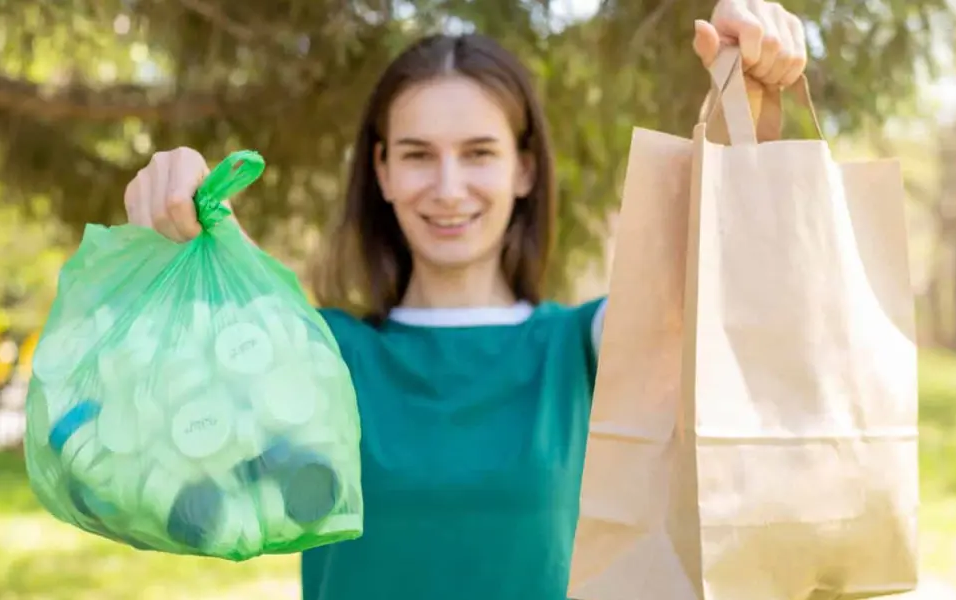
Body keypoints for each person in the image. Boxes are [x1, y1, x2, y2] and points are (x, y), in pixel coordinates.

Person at [121, 1, 809, 598]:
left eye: (479, 153)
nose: (448, 188)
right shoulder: (323, 351)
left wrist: (739, 99)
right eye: (418, 155)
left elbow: (715, 264)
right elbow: (168, 402)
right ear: (382, 171)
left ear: (525, 169)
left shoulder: (582, 348)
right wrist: (174, 217)